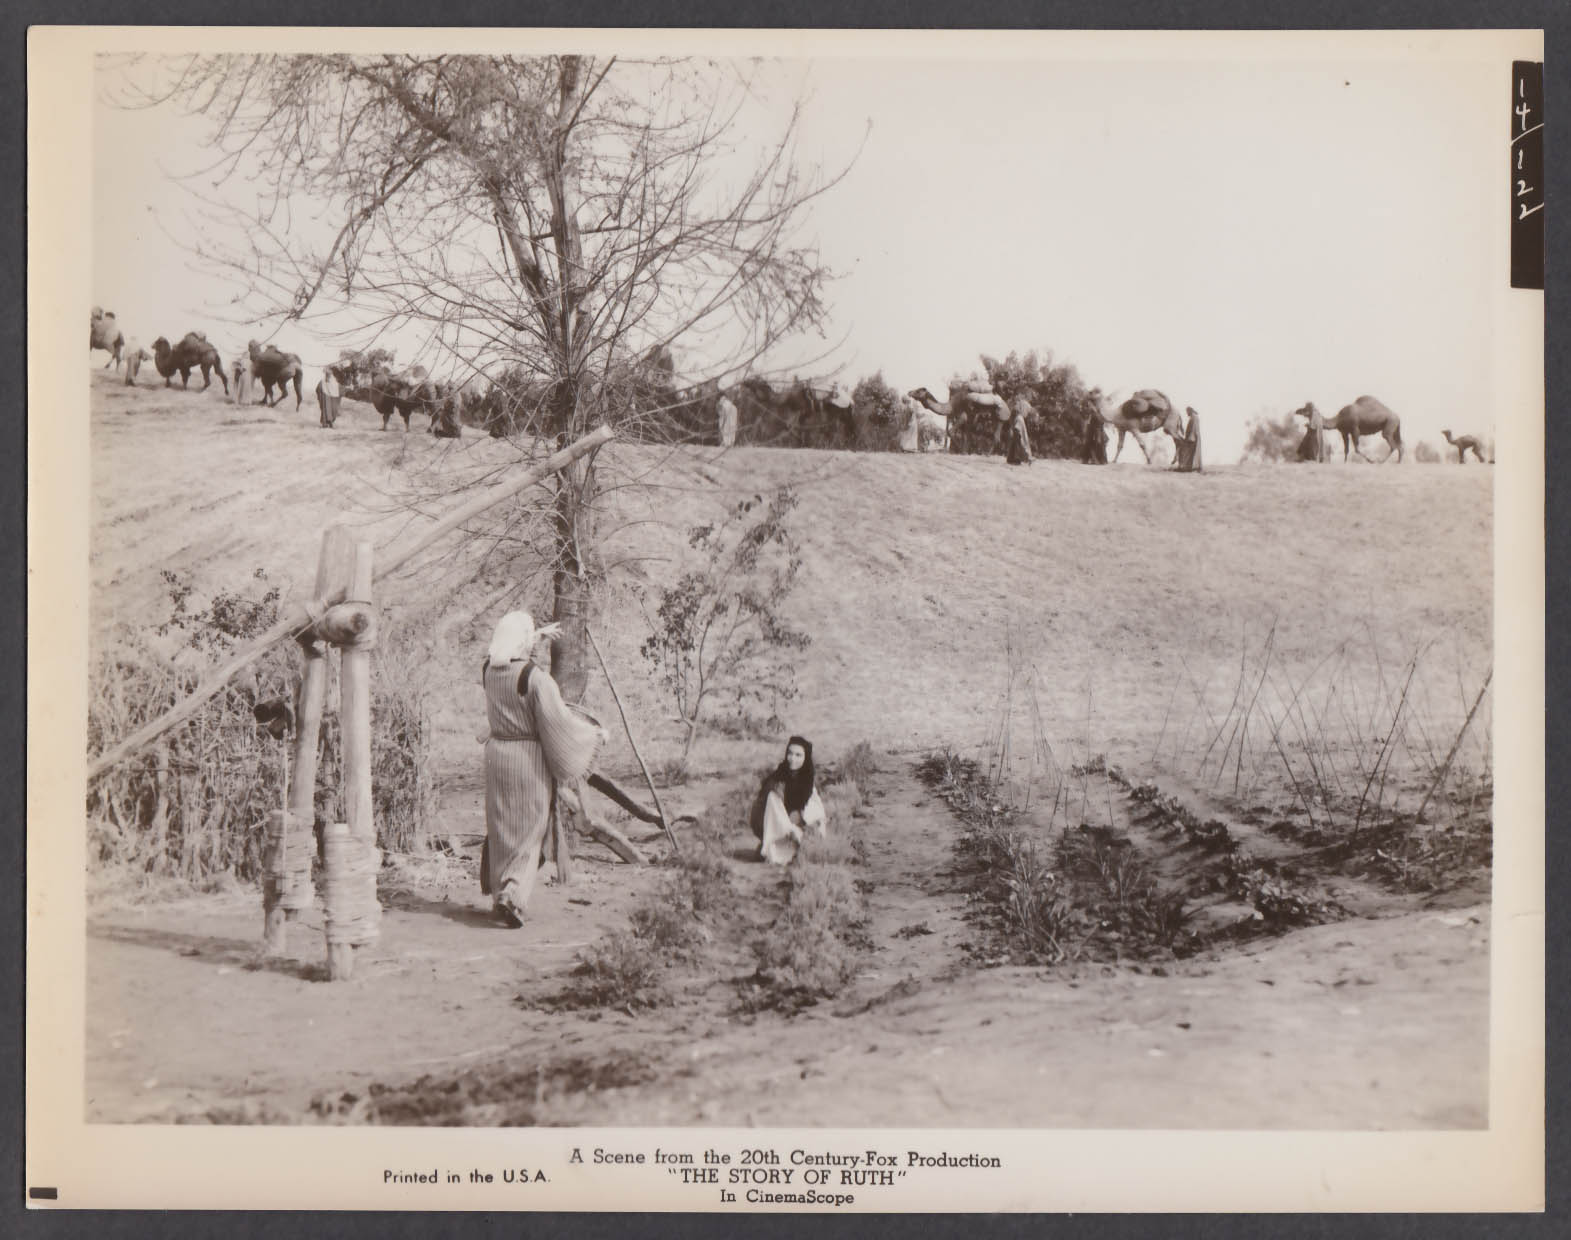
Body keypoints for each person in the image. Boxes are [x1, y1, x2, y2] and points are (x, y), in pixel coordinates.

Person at [479, 610, 604, 926]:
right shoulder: (534, 678)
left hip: (497, 758)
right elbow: (558, 721)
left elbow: (512, 648)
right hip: (527, 760)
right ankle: (513, 896)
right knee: (530, 831)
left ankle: (501, 893)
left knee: (503, 828)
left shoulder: (488, 671)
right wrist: (595, 735)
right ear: (523, 641)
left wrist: (535, 634)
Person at [750, 736, 826, 864]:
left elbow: (816, 812)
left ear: (805, 758)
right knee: (772, 797)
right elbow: (764, 805)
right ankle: (781, 841)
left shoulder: (807, 780)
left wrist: (801, 816)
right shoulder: (779, 775)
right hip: (777, 827)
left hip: (798, 825)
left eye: (798, 755)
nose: (792, 758)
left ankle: (800, 843)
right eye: (790, 753)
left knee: (813, 806)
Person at [1174, 407, 1203, 472]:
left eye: (1187, 411)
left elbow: (1193, 428)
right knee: (1189, 453)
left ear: (1190, 411)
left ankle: (1186, 467)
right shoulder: (1193, 417)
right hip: (1192, 438)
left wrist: (1190, 438)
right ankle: (1187, 467)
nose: (1187, 413)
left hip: (1192, 439)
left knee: (1185, 452)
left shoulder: (1194, 417)